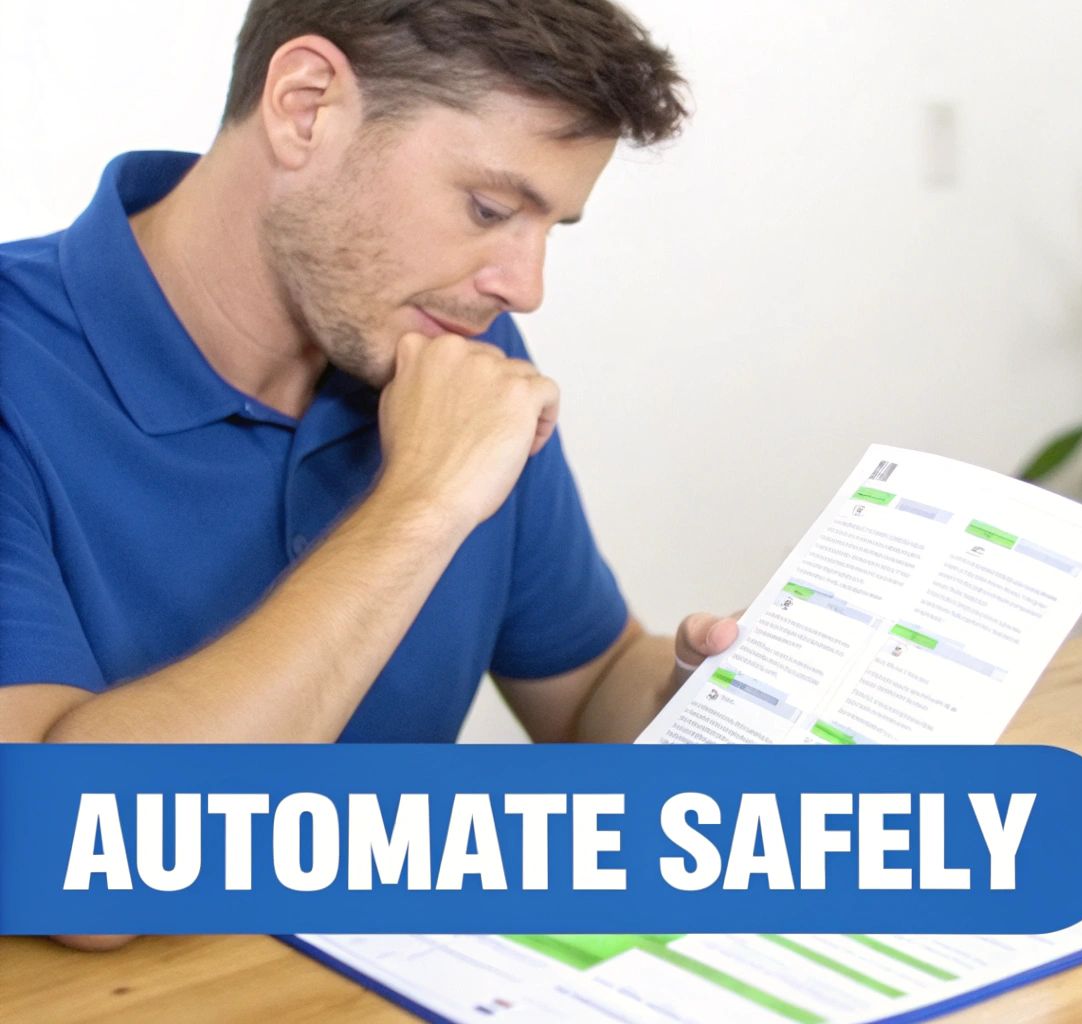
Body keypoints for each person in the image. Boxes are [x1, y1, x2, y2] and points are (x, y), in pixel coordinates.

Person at [0, 1, 737, 948]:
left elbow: (588, 694)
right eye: (489, 208)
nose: (525, 285)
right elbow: (67, 865)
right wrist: (422, 505)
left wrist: (706, 691)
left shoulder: (443, 348)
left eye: (553, 226)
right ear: (306, 106)